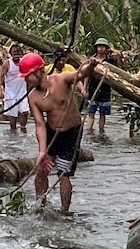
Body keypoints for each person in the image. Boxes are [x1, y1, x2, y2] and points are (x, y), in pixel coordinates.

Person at [22, 51, 92, 213]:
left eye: (28, 76)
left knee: (63, 174)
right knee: (41, 170)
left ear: (39, 72)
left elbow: (81, 73)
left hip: (72, 132)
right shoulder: (33, 97)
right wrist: (42, 151)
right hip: (52, 130)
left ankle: (64, 211)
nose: (26, 80)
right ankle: (41, 205)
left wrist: (92, 65)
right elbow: (39, 124)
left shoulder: (61, 80)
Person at [84, 38, 115, 135]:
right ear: (96, 48)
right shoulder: (91, 59)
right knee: (91, 113)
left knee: (103, 114)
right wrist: (85, 87)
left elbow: (114, 75)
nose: (101, 49)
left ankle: (101, 132)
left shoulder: (110, 61)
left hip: (105, 89)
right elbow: (87, 74)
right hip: (93, 88)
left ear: (106, 49)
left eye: (103, 47)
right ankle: (89, 132)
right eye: (99, 47)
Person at [0, 44, 29, 133]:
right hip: (11, 93)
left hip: (22, 93)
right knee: (13, 116)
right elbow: (1, 76)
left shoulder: (24, 62)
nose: (16, 54)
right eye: (14, 52)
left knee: (25, 112)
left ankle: (23, 129)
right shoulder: (7, 63)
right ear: (11, 53)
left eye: (18, 52)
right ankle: (13, 133)